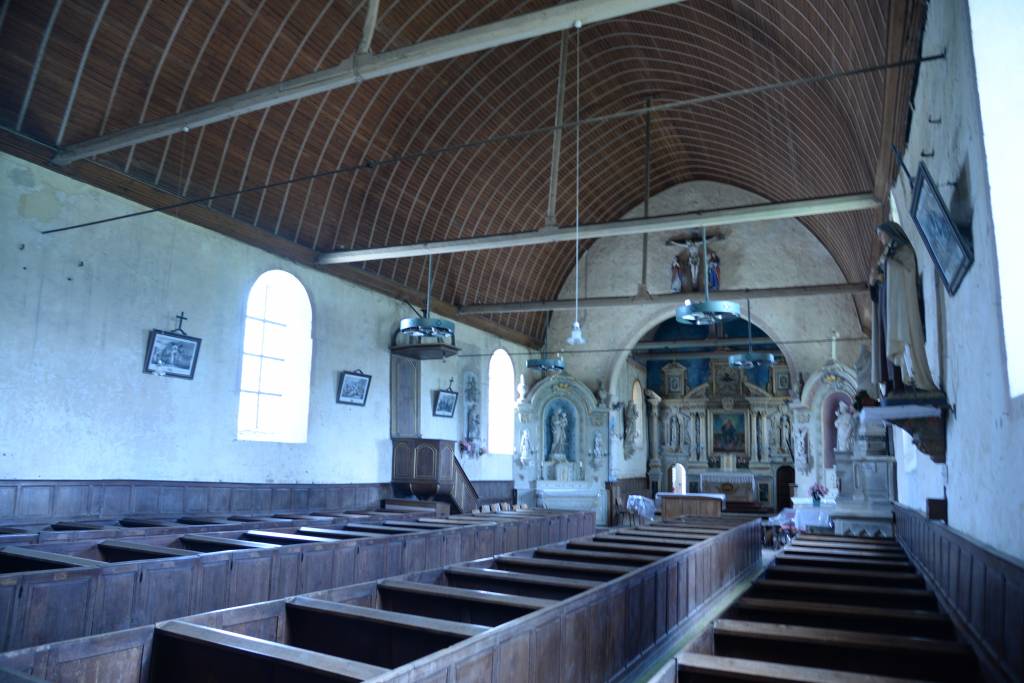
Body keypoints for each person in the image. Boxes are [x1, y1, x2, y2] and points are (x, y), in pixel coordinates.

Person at [872, 221, 938, 393]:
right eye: (879, 235)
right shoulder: (889, 254)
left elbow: (907, 272)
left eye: (881, 234)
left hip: (906, 306)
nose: (880, 239)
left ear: (890, 232)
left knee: (912, 340)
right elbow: (882, 282)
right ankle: (907, 380)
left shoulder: (904, 251)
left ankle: (922, 380)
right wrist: (875, 281)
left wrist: (886, 267)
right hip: (894, 308)